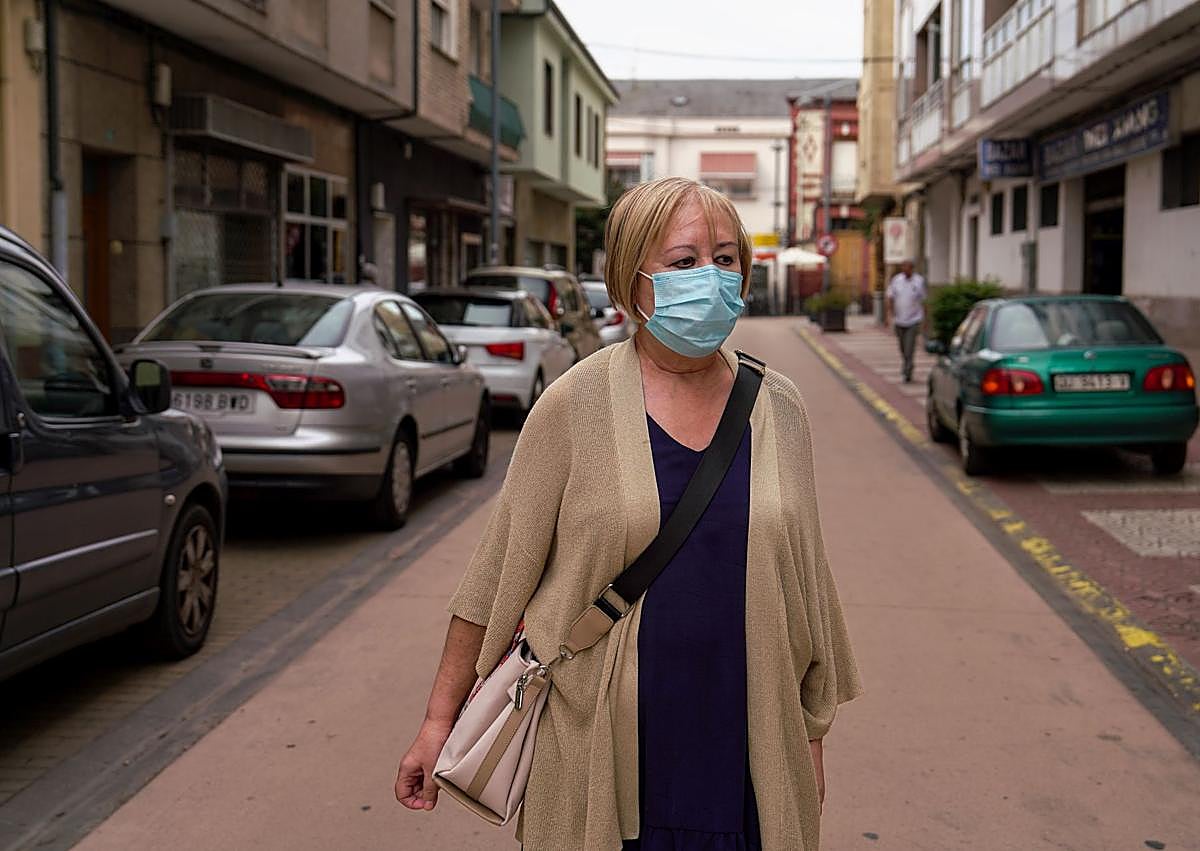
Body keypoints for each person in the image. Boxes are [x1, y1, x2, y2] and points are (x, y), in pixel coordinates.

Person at [395, 177, 862, 851]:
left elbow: (807, 586)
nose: (711, 276)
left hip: (748, 757)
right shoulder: (572, 405)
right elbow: (499, 573)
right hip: (598, 752)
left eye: (726, 258)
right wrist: (437, 723)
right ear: (629, 281)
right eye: (683, 261)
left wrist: (810, 734)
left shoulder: (779, 407)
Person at [886, 260, 927, 383]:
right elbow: (890, 297)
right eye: (903, 267)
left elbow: (924, 300)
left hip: (914, 319)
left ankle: (907, 370)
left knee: (909, 347)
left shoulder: (919, 281)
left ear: (912, 269)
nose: (905, 270)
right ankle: (907, 363)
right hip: (899, 319)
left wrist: (925, 320)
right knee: (902, 347)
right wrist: (890, 314)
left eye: (908, 268)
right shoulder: (896, 280)